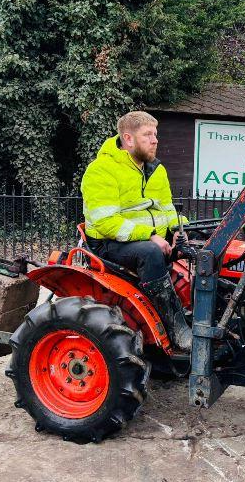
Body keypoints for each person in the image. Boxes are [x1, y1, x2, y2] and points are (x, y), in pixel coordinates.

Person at [80, 111, 192, 351]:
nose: (155, 140)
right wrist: (151, 235)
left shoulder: (156, 170)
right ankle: (174, 328)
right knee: (150, 253)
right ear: (128, 139)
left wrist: (177, 229)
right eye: (148, 135)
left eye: (156, 134)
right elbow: (106, 222)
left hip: (145, 238)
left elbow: (167, 208)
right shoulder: (102, 170)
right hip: (109, 243)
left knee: (200, 245)